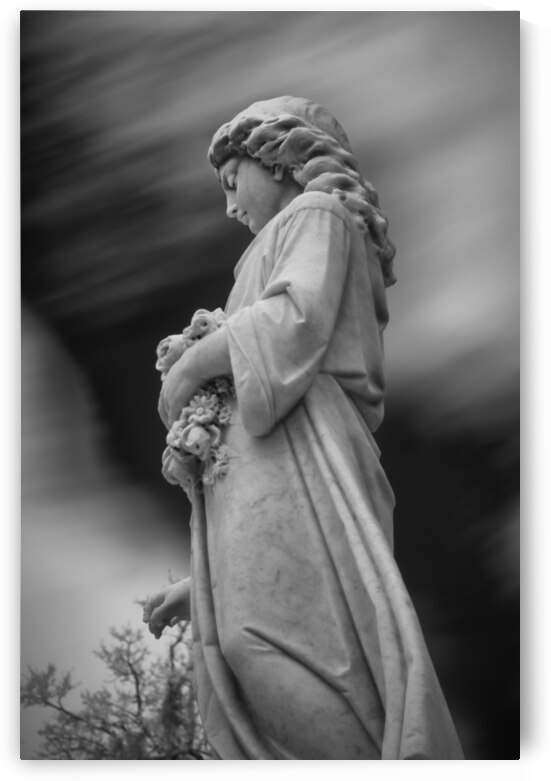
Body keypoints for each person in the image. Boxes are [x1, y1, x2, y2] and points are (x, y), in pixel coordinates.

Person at [143, 96, 464, 759]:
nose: (229, 206)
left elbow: (293, 322)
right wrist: (205, 584)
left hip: (303, 445)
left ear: (279, 158)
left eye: (232, 180)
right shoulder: (278, 241)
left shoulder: (318, 214)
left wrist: (189, 368)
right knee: (249, 640)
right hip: (275, 459)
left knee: (267, 641)